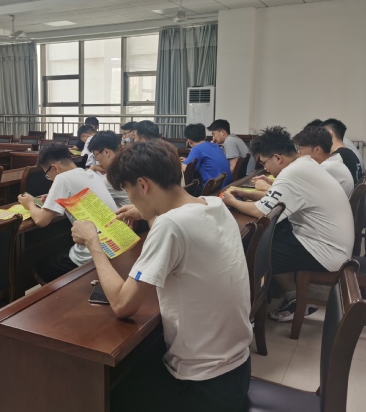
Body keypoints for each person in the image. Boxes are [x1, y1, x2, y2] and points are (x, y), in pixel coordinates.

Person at [72, 140, 252, 412]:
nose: (130, 199)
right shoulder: (214, 205)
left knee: (102, 393)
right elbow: (179, 226)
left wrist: (93, 243)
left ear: (143, 185)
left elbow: (122, 305)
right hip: (237, 368)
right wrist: (148, 211)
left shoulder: (171, 225)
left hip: (200, 385)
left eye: (128, 191)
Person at [221, 126, 353, 322]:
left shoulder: (293, 173)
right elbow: (277, 198)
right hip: (329, 242)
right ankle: (290, 296)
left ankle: (249, 312)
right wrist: (243, 193)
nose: (265, 168)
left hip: (325, 251)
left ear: (277, 157)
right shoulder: (303, 164)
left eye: (264, 162)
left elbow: (261, 211)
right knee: (273, 234)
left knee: (254, 251)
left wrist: (232, 201)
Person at [18, 143, 117, 283]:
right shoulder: (89, 173)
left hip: (93, 253)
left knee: (40, 268)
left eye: (47, 175)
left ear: (55, 168)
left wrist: (29, 204)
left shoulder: (62, 178)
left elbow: (41, 220)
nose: (50, 178)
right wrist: (53, 196)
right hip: (114, 245)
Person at [293, 126, 354, 196]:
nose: (299, 152)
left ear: (317, 150)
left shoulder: (326, 168)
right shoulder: (333, 162)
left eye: (300, 148)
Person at [86, 131, 130, 207]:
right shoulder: (129, 163)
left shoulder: (112, 178)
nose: (97, 160)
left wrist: (91, 169)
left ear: (106, 152)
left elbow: (86, 194)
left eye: (96, 155)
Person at [181, 123, 232, 189]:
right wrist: (187, 160)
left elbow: (186, 169)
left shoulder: (197, 149)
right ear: (204, 136)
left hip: (212, 189)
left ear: (189, 141)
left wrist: (177, 162)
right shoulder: (215, 146)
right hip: (226, 184)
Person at [320, 118, 362, 183]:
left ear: (330, 133)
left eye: (321, 134)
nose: (319, 139)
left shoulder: (338, 157)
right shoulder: (349, 153)